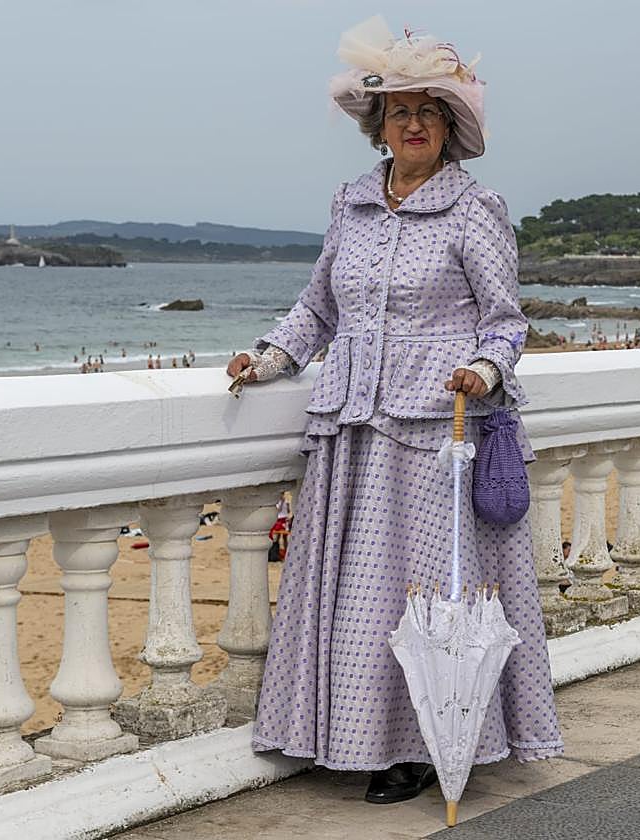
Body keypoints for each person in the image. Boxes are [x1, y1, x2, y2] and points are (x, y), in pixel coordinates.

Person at [228, 16, 562, 807]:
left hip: (433, 427)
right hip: (351, 426)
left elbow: (506, 321)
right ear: (379, 127)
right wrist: (268, 358)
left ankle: (415, 749)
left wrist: (482, 369)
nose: (412, 125)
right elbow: (318, 310)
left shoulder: (474, 209)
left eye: (429, 112)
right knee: (356, 592)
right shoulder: (352, 205)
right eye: (400, 112)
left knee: (421, 596)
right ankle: (343, 734)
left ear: (450, 129)